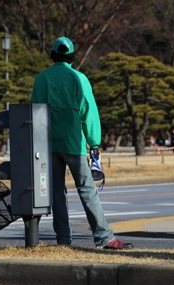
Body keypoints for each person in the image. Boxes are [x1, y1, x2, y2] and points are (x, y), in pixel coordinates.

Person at [30, 36, 133, 250]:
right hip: (74, 143)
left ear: (53, 55)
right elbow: (89, 111)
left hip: (49, 143)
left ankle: (63, 240)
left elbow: (35, 110)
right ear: (72, 57)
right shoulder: (78, 78)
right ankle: (104, 237)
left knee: (57, 192)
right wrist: (94, 142)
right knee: (87, 190)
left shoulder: (42, 79)